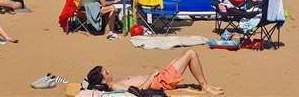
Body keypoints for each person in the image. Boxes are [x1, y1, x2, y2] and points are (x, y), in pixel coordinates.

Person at [85, 49, 223, 95]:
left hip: (159, 78)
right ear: (103, 80)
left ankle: (205, 85)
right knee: (191, 53)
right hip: (161, 81)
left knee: (184, 55)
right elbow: (138, 92)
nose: (109, 71)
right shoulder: (114, 86)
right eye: (106, 72)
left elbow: (86, 84)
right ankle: (205, 85)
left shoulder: (114, 84)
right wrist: (151, 77)